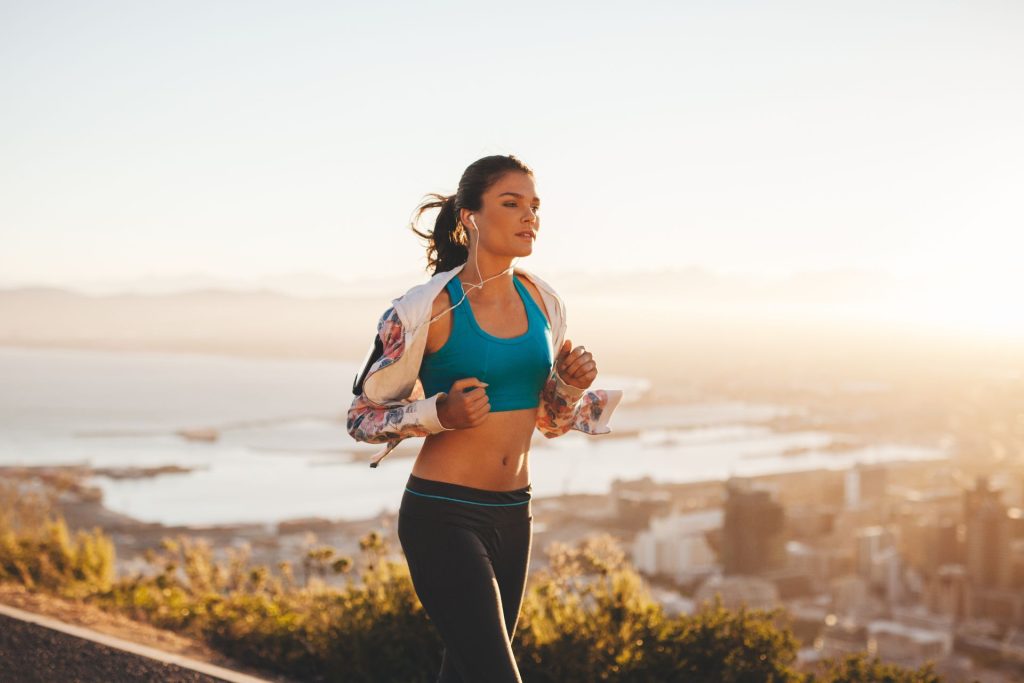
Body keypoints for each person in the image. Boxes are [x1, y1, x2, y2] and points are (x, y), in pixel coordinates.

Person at [347, 154, 622, 682]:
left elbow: (549, 422)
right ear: (470, 216)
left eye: (535, 206)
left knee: (468, 673)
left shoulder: (544, 302)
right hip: (442, 515)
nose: (530, 217)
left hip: (514, 515)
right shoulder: (423, 309)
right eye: (511, 203)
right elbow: (361, 418)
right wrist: (439, 413)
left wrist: (568, 385)